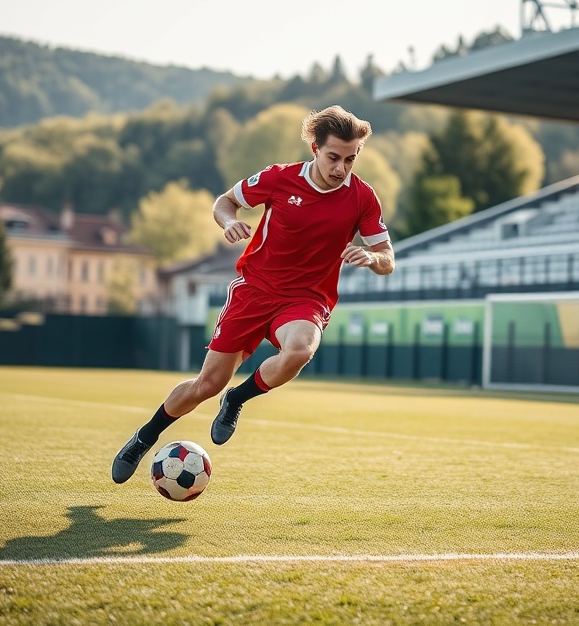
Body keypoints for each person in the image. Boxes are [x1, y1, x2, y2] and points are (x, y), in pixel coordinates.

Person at [112, 105, 396, 484]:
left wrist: (372, 256)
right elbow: (224, 202)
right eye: (333, 157)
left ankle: (238, 399)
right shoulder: (279, 178)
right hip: (255, 291)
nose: (341, 168)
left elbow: (388, 258)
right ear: (314, 147)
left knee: (299, 350)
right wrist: (229, 222)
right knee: (206, 385)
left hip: (306, 299)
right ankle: (144, 437)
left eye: (350, 159)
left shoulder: (362, 197)